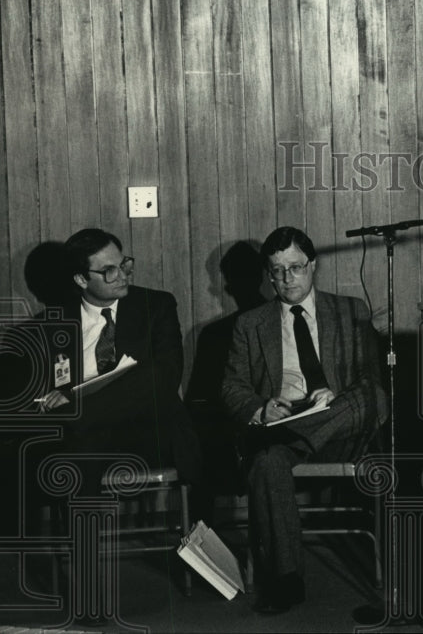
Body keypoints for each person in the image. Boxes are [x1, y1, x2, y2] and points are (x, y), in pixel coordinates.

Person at [221, 227, 386, 614]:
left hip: (340, 420)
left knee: (374, 398)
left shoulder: (350, 310)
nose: (286, 279)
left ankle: (296, 432)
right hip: (280, 424)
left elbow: (371, 378)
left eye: (295, 268)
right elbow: (231, 388)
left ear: (313, 266)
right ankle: (287, 580)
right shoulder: (251, 324)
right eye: (277, 271)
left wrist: (335, 399)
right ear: (267, 273)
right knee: (267, 461)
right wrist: (261, 408)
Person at [36, 228, 201, 482]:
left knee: (153, 375)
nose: (122, 275)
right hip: (84, 440)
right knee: (71, 455)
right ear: (81, 280)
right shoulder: (52, 325)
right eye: (109, 271)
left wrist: (77, 406)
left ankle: (78, 416)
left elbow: (167, 379)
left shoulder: (156, 305)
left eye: (124, 264)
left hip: (148, 432)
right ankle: (88, 523)